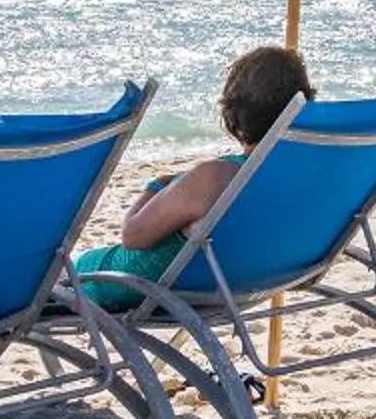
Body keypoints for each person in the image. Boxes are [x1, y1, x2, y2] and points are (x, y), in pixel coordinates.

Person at [70, 45, 313, 305]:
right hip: (239, 280)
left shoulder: (215, 177)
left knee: (65, 275)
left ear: (234, 113)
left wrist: (154, 187)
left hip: (133, 284)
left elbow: (132, 235)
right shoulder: (299, 177)